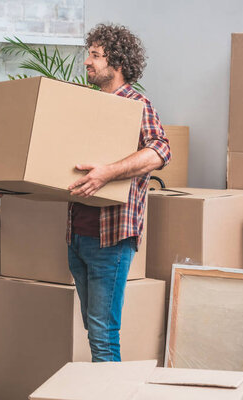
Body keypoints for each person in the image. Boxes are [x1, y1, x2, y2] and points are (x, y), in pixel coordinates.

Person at [66, 23, 170, 362]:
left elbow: (160, 151)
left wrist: (109, 172)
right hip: (78, 236)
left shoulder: (137, 104)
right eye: (89, 54)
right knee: (93, 328)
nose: (87, 62)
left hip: (110, 239)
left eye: (96, 55)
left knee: (103, 336)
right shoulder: (89, 105)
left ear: (118, 62)